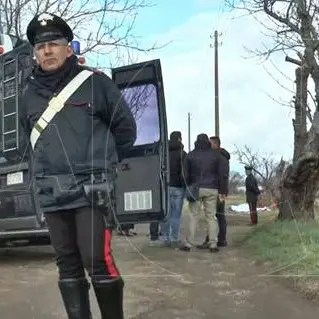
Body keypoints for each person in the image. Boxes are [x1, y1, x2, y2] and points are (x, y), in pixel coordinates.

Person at [20, 13, 137, 319]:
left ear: (68, 48)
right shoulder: (28, 93)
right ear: (35, 52)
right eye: (40, 45)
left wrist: (104, 167)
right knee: (67, 263)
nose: (47, 50)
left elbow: (126, 131)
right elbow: (27, 141)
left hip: (91, 190)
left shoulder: (95, 83)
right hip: (51, 191)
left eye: (54, 43)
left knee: (96, 258)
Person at [180, 134, 228, 252]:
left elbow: (184, 175)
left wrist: (188, 187)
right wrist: (222, 190)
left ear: (196, 141)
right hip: (212, 188)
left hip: (196, 188)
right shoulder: (216, 155)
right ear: (207, 142)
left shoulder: (190, 155)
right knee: (211, 217)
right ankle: (213, 244)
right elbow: (222, 174)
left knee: (193, 216)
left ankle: (188, 244)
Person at [197, 136, 230, 249]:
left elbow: (223, 176)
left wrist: (222, 192)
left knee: (214, 216)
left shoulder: (220, 158)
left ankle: (215, 239)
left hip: (218, 191)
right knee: (216, 215)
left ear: (216, 144)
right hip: (216, 189)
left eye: (210, 144)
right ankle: (220, 239)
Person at [160, 131, 186, 247]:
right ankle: (174, 238)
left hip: (165, 187)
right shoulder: (182, 154)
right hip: (179, 188)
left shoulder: (163, 153)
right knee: (176, 215)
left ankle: (165, 237)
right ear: (180, 139)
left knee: (166, 214)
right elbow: (185, 172)